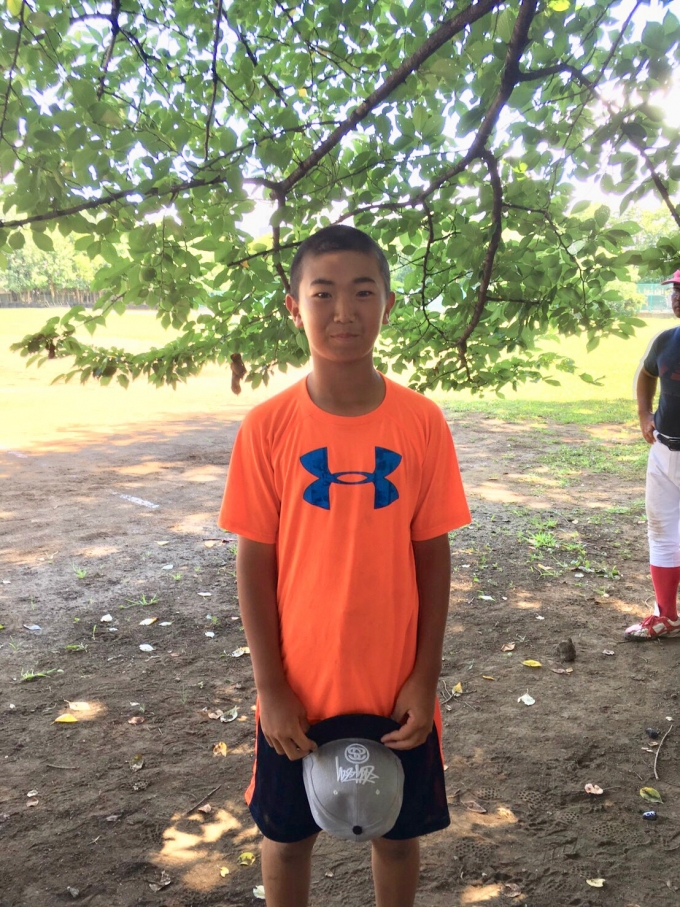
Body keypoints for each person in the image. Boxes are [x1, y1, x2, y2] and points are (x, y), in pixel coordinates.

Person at [218, 224, 470, 907]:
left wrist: (424, 676)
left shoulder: (421, 422)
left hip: (394, 684)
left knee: (397, 835)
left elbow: (433, 556)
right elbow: (254, 563)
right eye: (322, 293)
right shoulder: (267, 427)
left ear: (388, 303)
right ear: (294, 306)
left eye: (363, 292)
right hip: (301, 684)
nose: (343, 311)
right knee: (287, 836)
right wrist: (271, 685)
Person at [627, 268, 680, 640]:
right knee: (661, 531)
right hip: (663, 451)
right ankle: (667, 616)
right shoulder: (666, 340)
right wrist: (645, 414)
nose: (676, 297)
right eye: (675, 290)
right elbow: (645, 375)